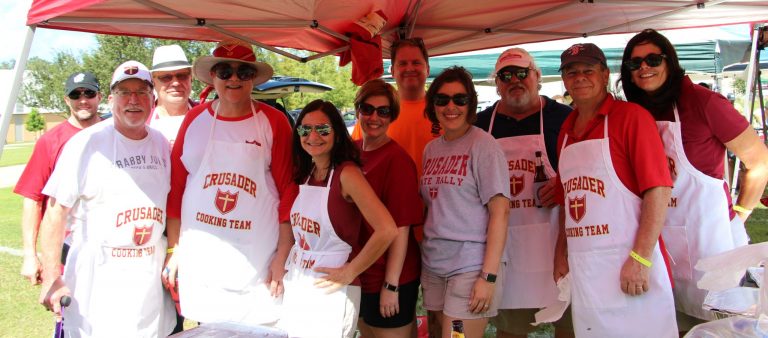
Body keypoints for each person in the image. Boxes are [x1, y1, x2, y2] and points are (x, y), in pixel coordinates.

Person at [619, 28, 768, 331]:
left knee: (719, 329)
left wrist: (741, 213)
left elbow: (759, 162)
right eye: (635, 63)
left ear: (669, 61)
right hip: (659, 245)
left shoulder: (704, 103)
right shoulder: (636, 112)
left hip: (711, 244)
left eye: (653, 59)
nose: (644, 67)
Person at [163, 40, 298, 326]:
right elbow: (176, 187)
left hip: (256, 258)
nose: (234, 79)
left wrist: (282, 255)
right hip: (203, 255)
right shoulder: (194, 119)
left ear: (253, 78)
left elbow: (289, 190)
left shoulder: (274, 122)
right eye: (225, 71)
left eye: (244, 72)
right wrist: (174, 249)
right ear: (213, 77)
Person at [38, 60, 175, 337]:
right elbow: (55, 212)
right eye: (124, 92)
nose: (133, 100)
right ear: (111, 99)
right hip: (97, 281)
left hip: (148, 280)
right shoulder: (86, 144)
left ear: (153, 98)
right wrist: (52, 276)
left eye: (141, 92)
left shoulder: (161, 143)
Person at [552, 43, 677, 337]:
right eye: (571, 72)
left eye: (588, 70)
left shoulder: (631, 118)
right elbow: (567, 202)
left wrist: (641, 258)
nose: (580, 77)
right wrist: (561, 253)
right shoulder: (566, 130)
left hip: (629, 265)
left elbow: (658, 190)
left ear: (605, 74)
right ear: (564, 80)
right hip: (585, 271)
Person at [475, 48, 574, 338]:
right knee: (510, 329)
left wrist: (562, 184)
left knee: (569, 326)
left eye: (522, 73)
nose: (514, 80)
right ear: (496, 83)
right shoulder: (481, 125)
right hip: (505, 250)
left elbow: (585, 173)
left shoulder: (564, 118)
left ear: (537, 76)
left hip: (557, 245)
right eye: (505, 76)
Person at [279, 99, 397, 338]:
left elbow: (387, 230)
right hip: (300, 281)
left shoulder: (348, 174)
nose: (313, 136)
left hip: (332, 290)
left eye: (322, 129)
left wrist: (350, 271)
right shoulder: (307, 173)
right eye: (305, 129)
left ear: (337, 133)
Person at [420, 66, 510, 338]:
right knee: (437, 333)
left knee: (456, 336)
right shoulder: (431, 149)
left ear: (470, 104)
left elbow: (500, 212)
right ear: (433, 104)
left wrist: (488, 277)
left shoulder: (484, 145)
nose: (451, 106)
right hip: (434, 264)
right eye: (442, 99)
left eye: (460, 99)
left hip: (470, 267)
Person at [15, 71, 102, 285]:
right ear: (66, 100)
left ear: (99, 96)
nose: (83, 100)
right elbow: (33, 199)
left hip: (111, 247)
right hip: (67, 249)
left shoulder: (116, 132)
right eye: (75, 95)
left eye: (89, 93)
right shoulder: (50, 141)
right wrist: (29, 255)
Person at [353, 79, 424, 338]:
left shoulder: (397, 160)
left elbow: (401, 228)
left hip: (390, 274)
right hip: (360, 272)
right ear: (358, 110)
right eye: (367, 109)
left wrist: (391, 285)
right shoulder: (351, 152)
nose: (374, 117)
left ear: (392, 116)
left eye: (383, 111)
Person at [351, 37, 438, 179]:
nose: (409, 68)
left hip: (436, 193)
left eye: (416, 62)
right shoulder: (375, 112)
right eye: (402, 63)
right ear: (392, 71)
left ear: (427, 69)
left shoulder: (443, 110)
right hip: (386, 193)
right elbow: (355, 158)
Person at [148, 44, 197, 147]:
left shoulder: (207, 116)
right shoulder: (142, 121)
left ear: (191, 78)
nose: (175, 83)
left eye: (182, 76)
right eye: (166, 77)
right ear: (153, 82)